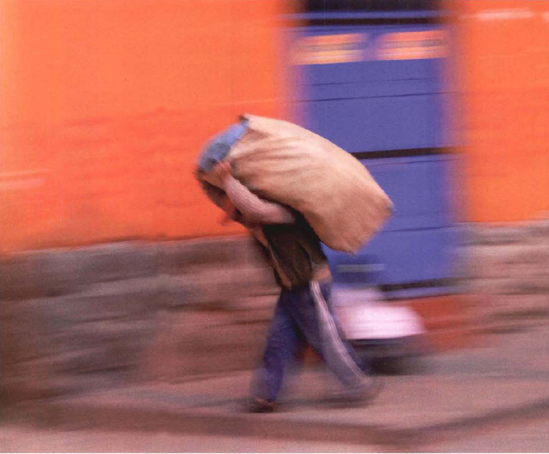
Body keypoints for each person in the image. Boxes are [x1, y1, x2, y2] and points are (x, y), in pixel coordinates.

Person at [198, 127, 380, 414]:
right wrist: (220, 185)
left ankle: (359, 382)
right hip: (292, 287)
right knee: (278, 341)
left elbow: (253, 209)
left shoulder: (282, 211)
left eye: (233, 210)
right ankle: (265, 396)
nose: (234, 216)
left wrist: (228, 179)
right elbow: (242, 208)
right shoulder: (256, 221)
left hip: (310, 284)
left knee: (325, 338)